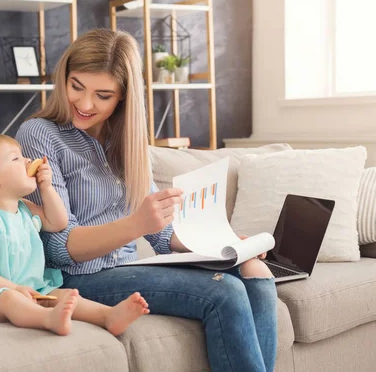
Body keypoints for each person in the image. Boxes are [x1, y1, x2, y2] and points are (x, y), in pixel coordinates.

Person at [16, 28, 277, 371]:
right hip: (76, 277)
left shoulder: (126, 141)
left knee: (256, 272)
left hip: (129, 268)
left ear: (123, 97)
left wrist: (224, 245)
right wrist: (135, 223)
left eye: (103, 95)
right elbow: (58, 247)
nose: (85, 103)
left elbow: (160, 235)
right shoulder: (39, 135)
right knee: (224, 293)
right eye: (76, 86)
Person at [0, 134, 150, 336]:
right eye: (16, 158)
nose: (27, 160)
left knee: (62, 295)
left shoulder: (23, 208)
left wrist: (47, 188)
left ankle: (108, 316)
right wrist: (14, 289)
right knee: (9, 300)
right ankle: (47, 319)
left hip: (28, 290)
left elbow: (58, 222)